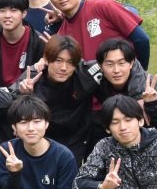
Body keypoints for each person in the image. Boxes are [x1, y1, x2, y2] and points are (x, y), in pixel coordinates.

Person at [12, 35, 100, 164]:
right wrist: (23, 95)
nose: (64, 68)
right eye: (58, 60)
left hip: (77, 137)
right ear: (46, 59)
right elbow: (11, 105)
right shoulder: (33, 76)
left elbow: (119, 60)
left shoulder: (85, 73)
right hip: (42, 137)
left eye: (70, 62)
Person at [44, 0, 150, 69]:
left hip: (125, 82)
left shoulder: (103, 6)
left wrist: (141, 74)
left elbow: (141, 39)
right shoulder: (62, 33)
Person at [96, 38, 157, 146]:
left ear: (131, 63)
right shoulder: (98, 82)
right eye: (110, 64)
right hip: (128, 145)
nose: (116, 70)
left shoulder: (149, 85)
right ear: (100, 66)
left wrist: (153, 104)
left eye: (121, 63)